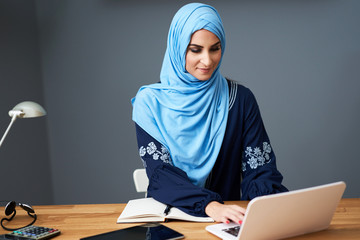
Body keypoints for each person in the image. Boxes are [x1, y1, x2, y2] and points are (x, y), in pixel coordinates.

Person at [131, 3, 288, 224]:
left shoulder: (240, 100)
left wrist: (268, 210)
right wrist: (210, 206)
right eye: (196, 49)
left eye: (215, 48)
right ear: (178, 47)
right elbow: (161, 175)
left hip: (228, 223)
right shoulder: (150, 103)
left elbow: (260, 171)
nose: (207, 60)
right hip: (170, 223)